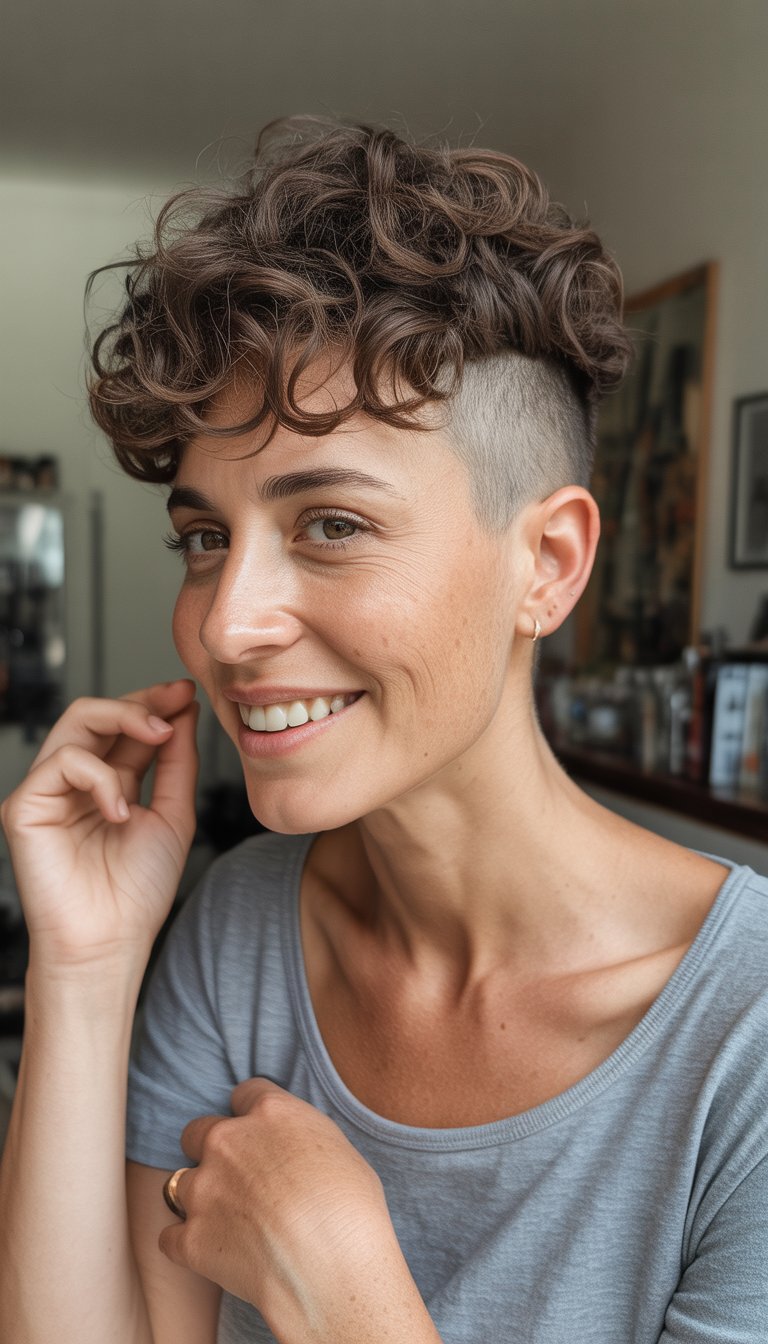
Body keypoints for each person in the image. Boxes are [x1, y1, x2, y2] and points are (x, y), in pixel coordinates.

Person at [1, 117, 767, 1344]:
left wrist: (346, 1293)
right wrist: (84, 972)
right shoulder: (242, 929)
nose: (225, 626)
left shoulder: (749, 1040)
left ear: (550, 565)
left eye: (332, 526)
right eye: (206, 539)